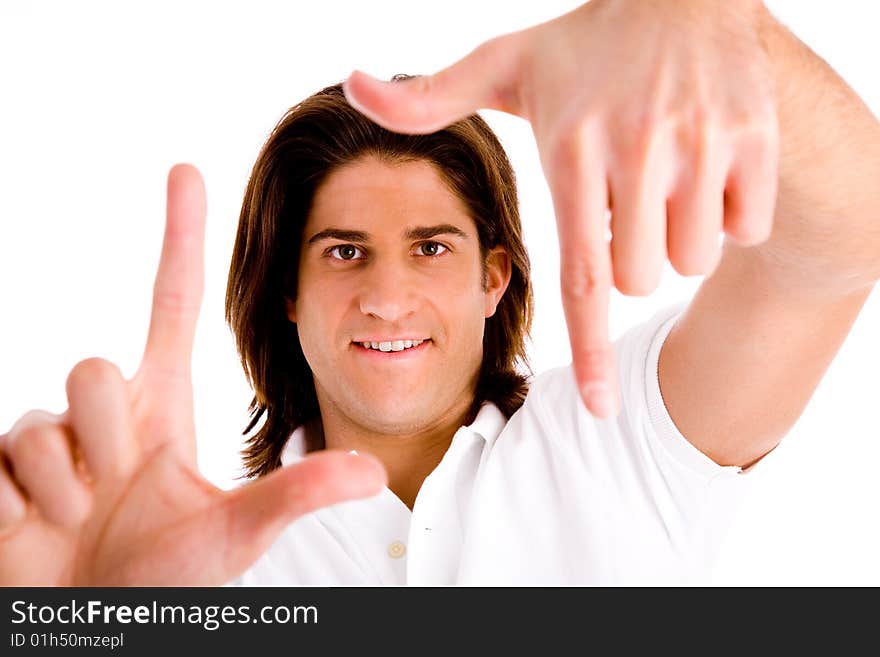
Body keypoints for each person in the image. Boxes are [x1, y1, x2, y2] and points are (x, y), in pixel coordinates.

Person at [0, 0, 877, 585]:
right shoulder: (199, 568)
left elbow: (845, 237)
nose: (387, 296)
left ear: (494, 276)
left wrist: (727, 29)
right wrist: (79, 620)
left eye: (430, 247)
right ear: (289, 295)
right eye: (345, 251)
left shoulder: (629, 445)